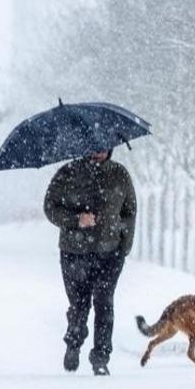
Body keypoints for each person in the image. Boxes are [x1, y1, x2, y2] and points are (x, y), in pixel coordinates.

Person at [44, 149, 136, 376]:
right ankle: (74, 342)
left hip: (110, 253)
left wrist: (124, 248)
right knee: (79, 305)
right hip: (75, 251)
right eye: (94, 146)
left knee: (104, 303)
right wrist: (76, 220)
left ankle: (101, 358)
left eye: (104, 145)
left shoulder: (119, 174)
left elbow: (129, 212)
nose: (99, 150)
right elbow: (50, 207)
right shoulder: (68, 172)